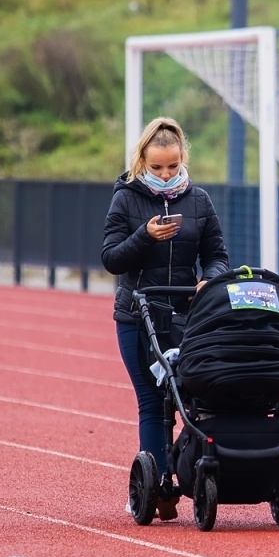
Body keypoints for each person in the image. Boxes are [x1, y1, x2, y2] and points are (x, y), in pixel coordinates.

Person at [102, 117, 229, 520]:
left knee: (191, 398)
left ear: (182, 158)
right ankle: (155, 486)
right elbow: (111, 259)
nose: (165, 174)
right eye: (157, 167)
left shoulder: (199, 201)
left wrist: (210, 278)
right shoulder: (125, 199)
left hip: (188, 315)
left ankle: (190, 473)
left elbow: (217, 255)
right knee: (153, 403)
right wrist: (144, 236)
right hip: (137, 315)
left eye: (172, 166)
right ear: (142, 160)